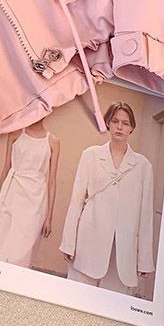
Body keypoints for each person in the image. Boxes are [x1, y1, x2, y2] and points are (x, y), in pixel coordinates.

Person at [59, 101, 155, 294]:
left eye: (125, 123)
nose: (120, 127)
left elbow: (146, 215)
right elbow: (77, 201)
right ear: (108, 123)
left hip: (121, 249)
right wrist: (68, 243)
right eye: (115, 121)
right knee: (77, 296)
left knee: (112, 301)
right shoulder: (91, 155)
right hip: (89, 240)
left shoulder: (143, 165)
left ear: (132, 128)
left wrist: (144, 260)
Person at [0, 117, 60, 268]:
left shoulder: (53, 141)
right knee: (3, 247)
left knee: (23, 254)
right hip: (11, 195)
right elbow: (6, 169)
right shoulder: (15, 134)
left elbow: (52, 181)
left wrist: (49, 217)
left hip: (35, 202)